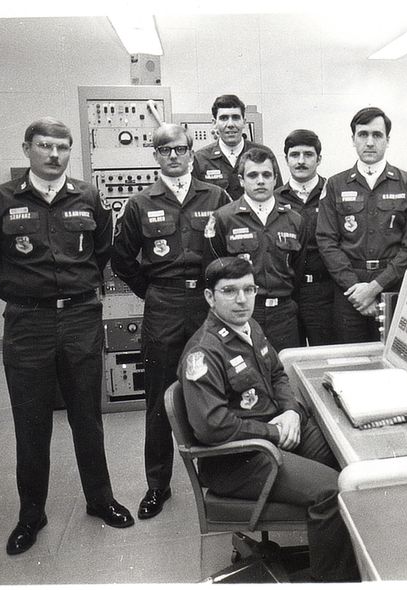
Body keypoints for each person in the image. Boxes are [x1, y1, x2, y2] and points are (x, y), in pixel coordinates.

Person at [0, 117, 134, 555]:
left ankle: (100, 499)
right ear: (27, 148)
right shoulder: (0, 200)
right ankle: (31, 513)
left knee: (87, 415)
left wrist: (77, 290)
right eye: (45, 145)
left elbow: (102, 251)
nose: (54, 154)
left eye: (62, 147)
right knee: (31, 422)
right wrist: (21, 292)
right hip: (28, 323)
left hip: (80, 317)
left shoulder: (89, 197)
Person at [179, 257, 359, 582]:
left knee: (352, 461)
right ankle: (332, 580)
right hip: (239, 459)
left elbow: (277, 374)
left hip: (271, 433)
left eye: (248, 289)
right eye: (229, 291)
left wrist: (290, 411)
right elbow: (212, 426)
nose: (242, 299)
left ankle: (349, 554)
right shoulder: (204, 352)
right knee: (331, 490)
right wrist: (273, 432)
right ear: (210, 297)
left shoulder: (250, 328)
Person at [111, 123, 230, 519]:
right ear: (156, 155)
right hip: (163, 302)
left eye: (180, 149)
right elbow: (122, 258)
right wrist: (151, 290)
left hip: (208, 303)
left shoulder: (216, 196)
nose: (174, 156)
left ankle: (224, 477)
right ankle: (157, 485)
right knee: (160, 397)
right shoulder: (140, 203)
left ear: (191, 152)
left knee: (216, 388)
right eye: (165, 150)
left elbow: (231, 248)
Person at [316, 107, 407, 343]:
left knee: (394, 357)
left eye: (377, 135)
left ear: (388, 140)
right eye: (362, 134)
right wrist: (357, 289)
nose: (369, 142)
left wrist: (375, 287)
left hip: (394, 287)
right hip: (349, 291)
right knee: (350, 358)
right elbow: (326, 242)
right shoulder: (335, 185)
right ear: (353, 139)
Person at [205, 147, 304, 352]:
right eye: (253, 175)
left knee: (285, 369)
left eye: (266, 175)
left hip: (284, 316)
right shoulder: (223, 219)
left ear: (275, 179)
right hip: (241, 314)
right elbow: (213, 270)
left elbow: (299, 271)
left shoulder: (294, 220)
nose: (260, 181)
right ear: (241, 180)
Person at [273, 129, 335, 345]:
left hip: (324, 292)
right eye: (294, 155)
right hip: (288, 292)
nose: (301, 161)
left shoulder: (333, 193)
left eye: (308, 154)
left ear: (319, 159)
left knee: (325, 356)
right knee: (289, 356)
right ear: (286, 159)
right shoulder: (274, 199)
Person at [192, 94, 282, 199]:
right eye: (224, 118)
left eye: (235, 118)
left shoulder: (264, 154)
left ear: (244, 122)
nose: (230, 124)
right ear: (214, 123)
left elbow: (278, 197)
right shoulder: (200, 159)